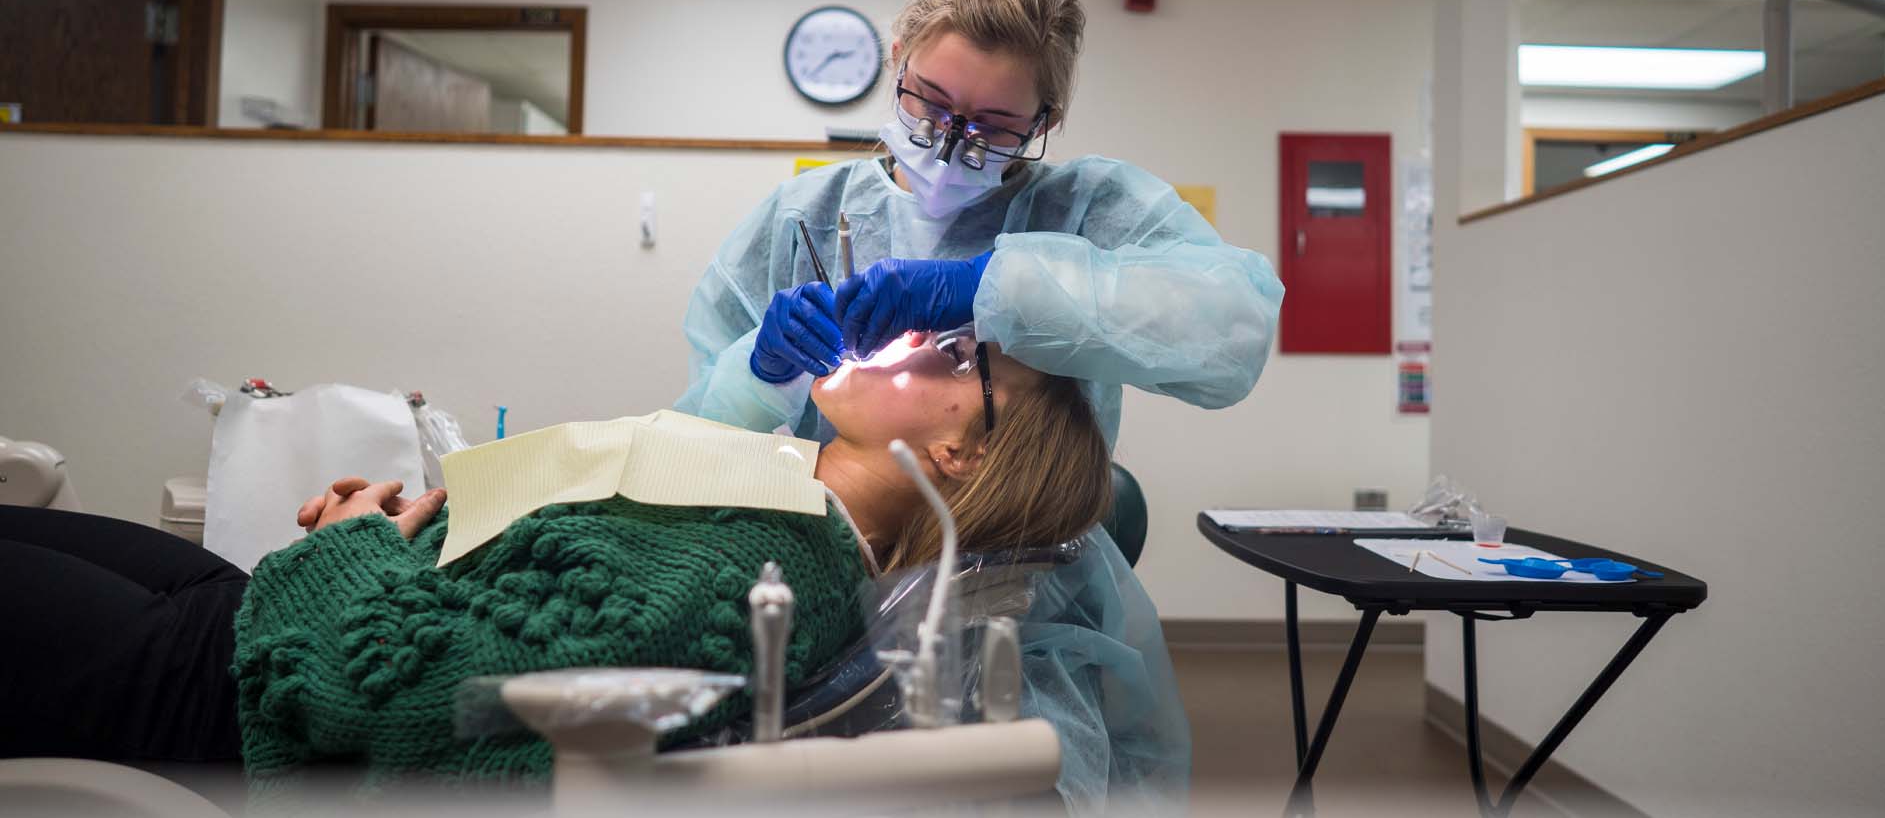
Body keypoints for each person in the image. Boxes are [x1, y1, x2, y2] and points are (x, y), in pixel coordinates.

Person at [0, 335, 1113, 809]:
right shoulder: (770, 487)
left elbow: (412, 703)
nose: (918, 335)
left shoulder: (759, 566)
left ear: (961, 454)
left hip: (220, 687)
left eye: (959, 359)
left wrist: (342, 549)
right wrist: (411, 531)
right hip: (236, 608)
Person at [676, 0, 1284, 450]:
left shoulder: (1086, 211)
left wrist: (995, 287)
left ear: (1048, 120)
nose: (948, 144)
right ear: (898, 61)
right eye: (929, 103)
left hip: (1027, 577)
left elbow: (1235, 331)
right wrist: (759, 373)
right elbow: (696, 442)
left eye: (992, 126)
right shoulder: (801, 215)